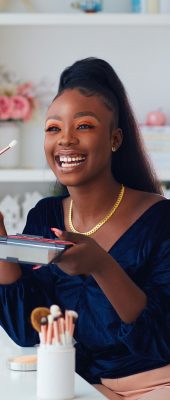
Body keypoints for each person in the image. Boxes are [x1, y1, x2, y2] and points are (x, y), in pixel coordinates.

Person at [0, 57, 170, 400]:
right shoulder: (45, 215)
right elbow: (26, 330)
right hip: (78, 383)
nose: (65, 140)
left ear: (115, 139)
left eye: (84, 126)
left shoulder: (160, 219)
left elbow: (161, 338)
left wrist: (102, 266)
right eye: (53, 128)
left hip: (157, 382)